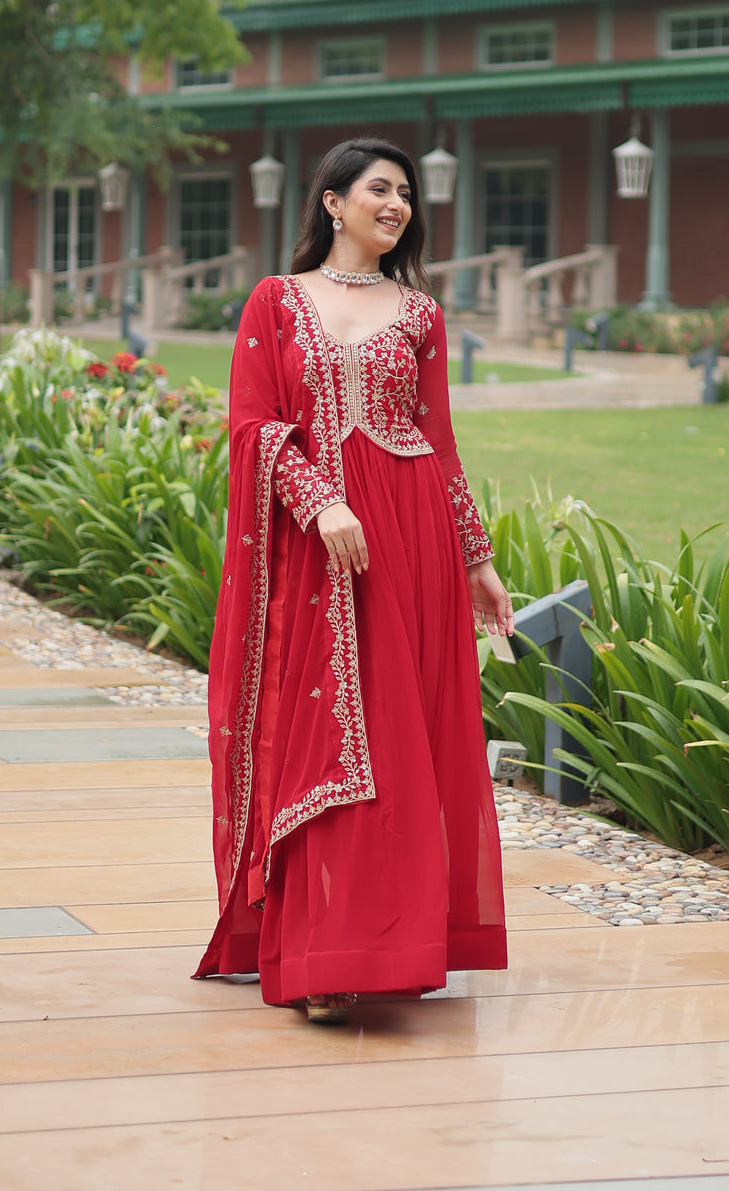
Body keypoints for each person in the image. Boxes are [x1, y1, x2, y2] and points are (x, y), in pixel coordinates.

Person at [195, 137, 512, 1024]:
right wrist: (320, 501)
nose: (397, 204)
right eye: (380, 189)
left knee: (399, 740)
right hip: (317, 549)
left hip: (410, 537)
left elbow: (441, 446)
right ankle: (317, 949)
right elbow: (252, 424)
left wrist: (478, 560)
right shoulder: (277, 302)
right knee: (325, 733)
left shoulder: (420, 314)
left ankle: (383, 947)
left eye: (406, 193)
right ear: (333, 202)